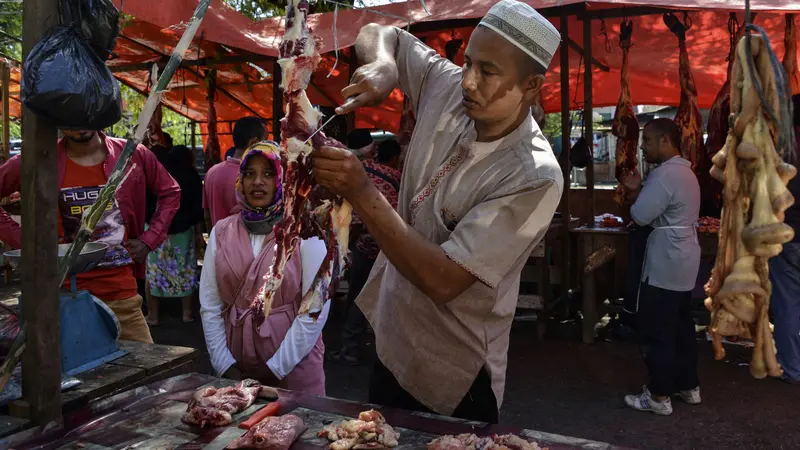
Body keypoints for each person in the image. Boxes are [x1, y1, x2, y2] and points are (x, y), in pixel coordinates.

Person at [310, 0, 563, 423]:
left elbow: (443, 279)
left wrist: (361, 190)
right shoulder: (448, 86)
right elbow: (379, 32)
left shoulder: (534, 176)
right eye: (468, 63)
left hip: (453, 370)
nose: (468, 82)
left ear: (532, 86)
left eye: (488, 72)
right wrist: (384, 67)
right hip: (393, 340)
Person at [0, 130, 180, 343]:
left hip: (122, 296)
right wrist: (27, 243)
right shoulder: (35, 159)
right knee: (73, 372)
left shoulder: (132, 155)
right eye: (69, 112)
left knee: (147, 369)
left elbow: (170, 192)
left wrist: (148, 240)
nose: (78, 122)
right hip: (60, 297)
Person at [199, 142, 328, 394]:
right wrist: (225, 365)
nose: (258, 182)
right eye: (250, 174)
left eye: (269, 173)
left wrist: (274, 369)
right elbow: (210, 305)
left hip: (294, 369)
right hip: (236, 367)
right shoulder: (221, 232)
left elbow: (315, 309)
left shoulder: (307, 232)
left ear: (285, 177)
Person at [619, 118, 701, 416]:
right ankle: (688, 386)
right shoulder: (685, 173)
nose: (643, 147)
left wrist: (634, 190)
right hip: (683, 259)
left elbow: (640, 215)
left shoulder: (666, 176)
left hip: (665, 262)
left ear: (665, 140)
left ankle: (658, 395)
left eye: (649, 141)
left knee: (658, 330)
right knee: (681, 326)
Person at [328, 139, 402, 365]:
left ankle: (351, 348)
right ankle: (388, 354)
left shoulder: (363, 170)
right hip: (389, 250)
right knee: (388, 301)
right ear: (396, 158)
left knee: (357, 297)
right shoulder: (398, 178)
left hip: (359, 244)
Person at [146, 145, 205, 325]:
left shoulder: (153, 175)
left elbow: (143, 204)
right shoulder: (191, 175)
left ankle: (153, 316)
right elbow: (197, 208)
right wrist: (198, 232)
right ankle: (187, 313)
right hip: (183, 232)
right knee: (186, 269)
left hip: (156, 231)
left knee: (153, 271)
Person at [768, 94, 800, 384]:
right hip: (789, 236)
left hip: (788, 237)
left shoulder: (784, 153)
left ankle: (793, 369)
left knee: (787, 305)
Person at [203, 117, 267, 230]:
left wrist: (213, 241)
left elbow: (207, 216)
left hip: (217, 244)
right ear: (255, 142)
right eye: (265, 141)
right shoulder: (255, 179)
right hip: (244, 246)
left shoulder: (211, 173)